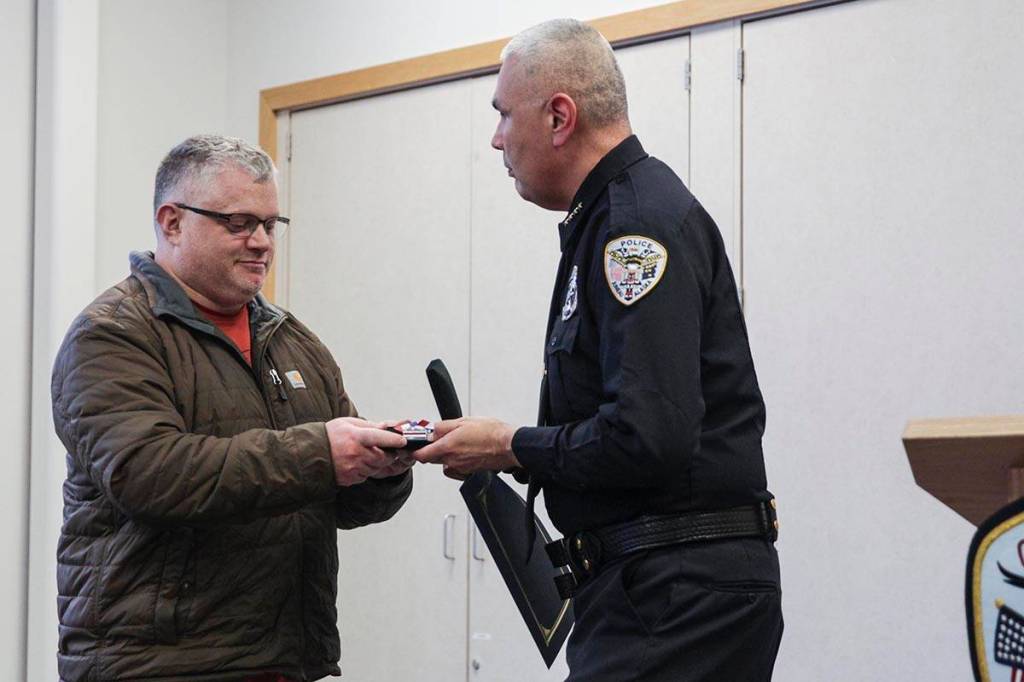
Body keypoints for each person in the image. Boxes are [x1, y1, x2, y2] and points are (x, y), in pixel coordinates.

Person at [416, 19, 783, 681]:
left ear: (559, 115)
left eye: (503, 115)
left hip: (676, 597)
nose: (496, 139)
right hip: (654, 590)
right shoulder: (610, 218)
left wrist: (511, 446)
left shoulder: (633, 229)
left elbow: (648, 437)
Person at [51, 135, 413, 681]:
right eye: (239, 223)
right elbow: (150, 476)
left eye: (271, 224)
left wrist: (382, 467)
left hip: (284, 658)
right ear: (172, 222)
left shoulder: (293, 340)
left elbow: (331, 496)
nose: (262, 242)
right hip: (162, 664)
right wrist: (323, 453)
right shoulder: (111, 335)